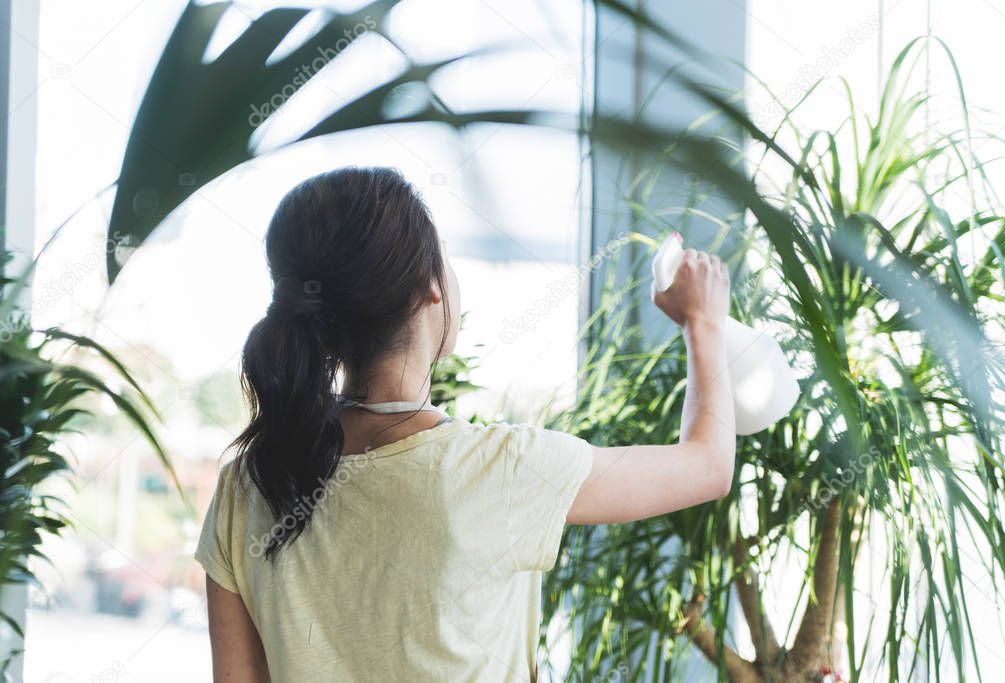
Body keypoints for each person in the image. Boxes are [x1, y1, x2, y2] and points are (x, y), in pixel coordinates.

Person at [195, 166, 735, 682]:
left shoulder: (246, 484)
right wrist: (702, 323)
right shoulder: (501, 469)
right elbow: (708, 465)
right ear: (429, 287)